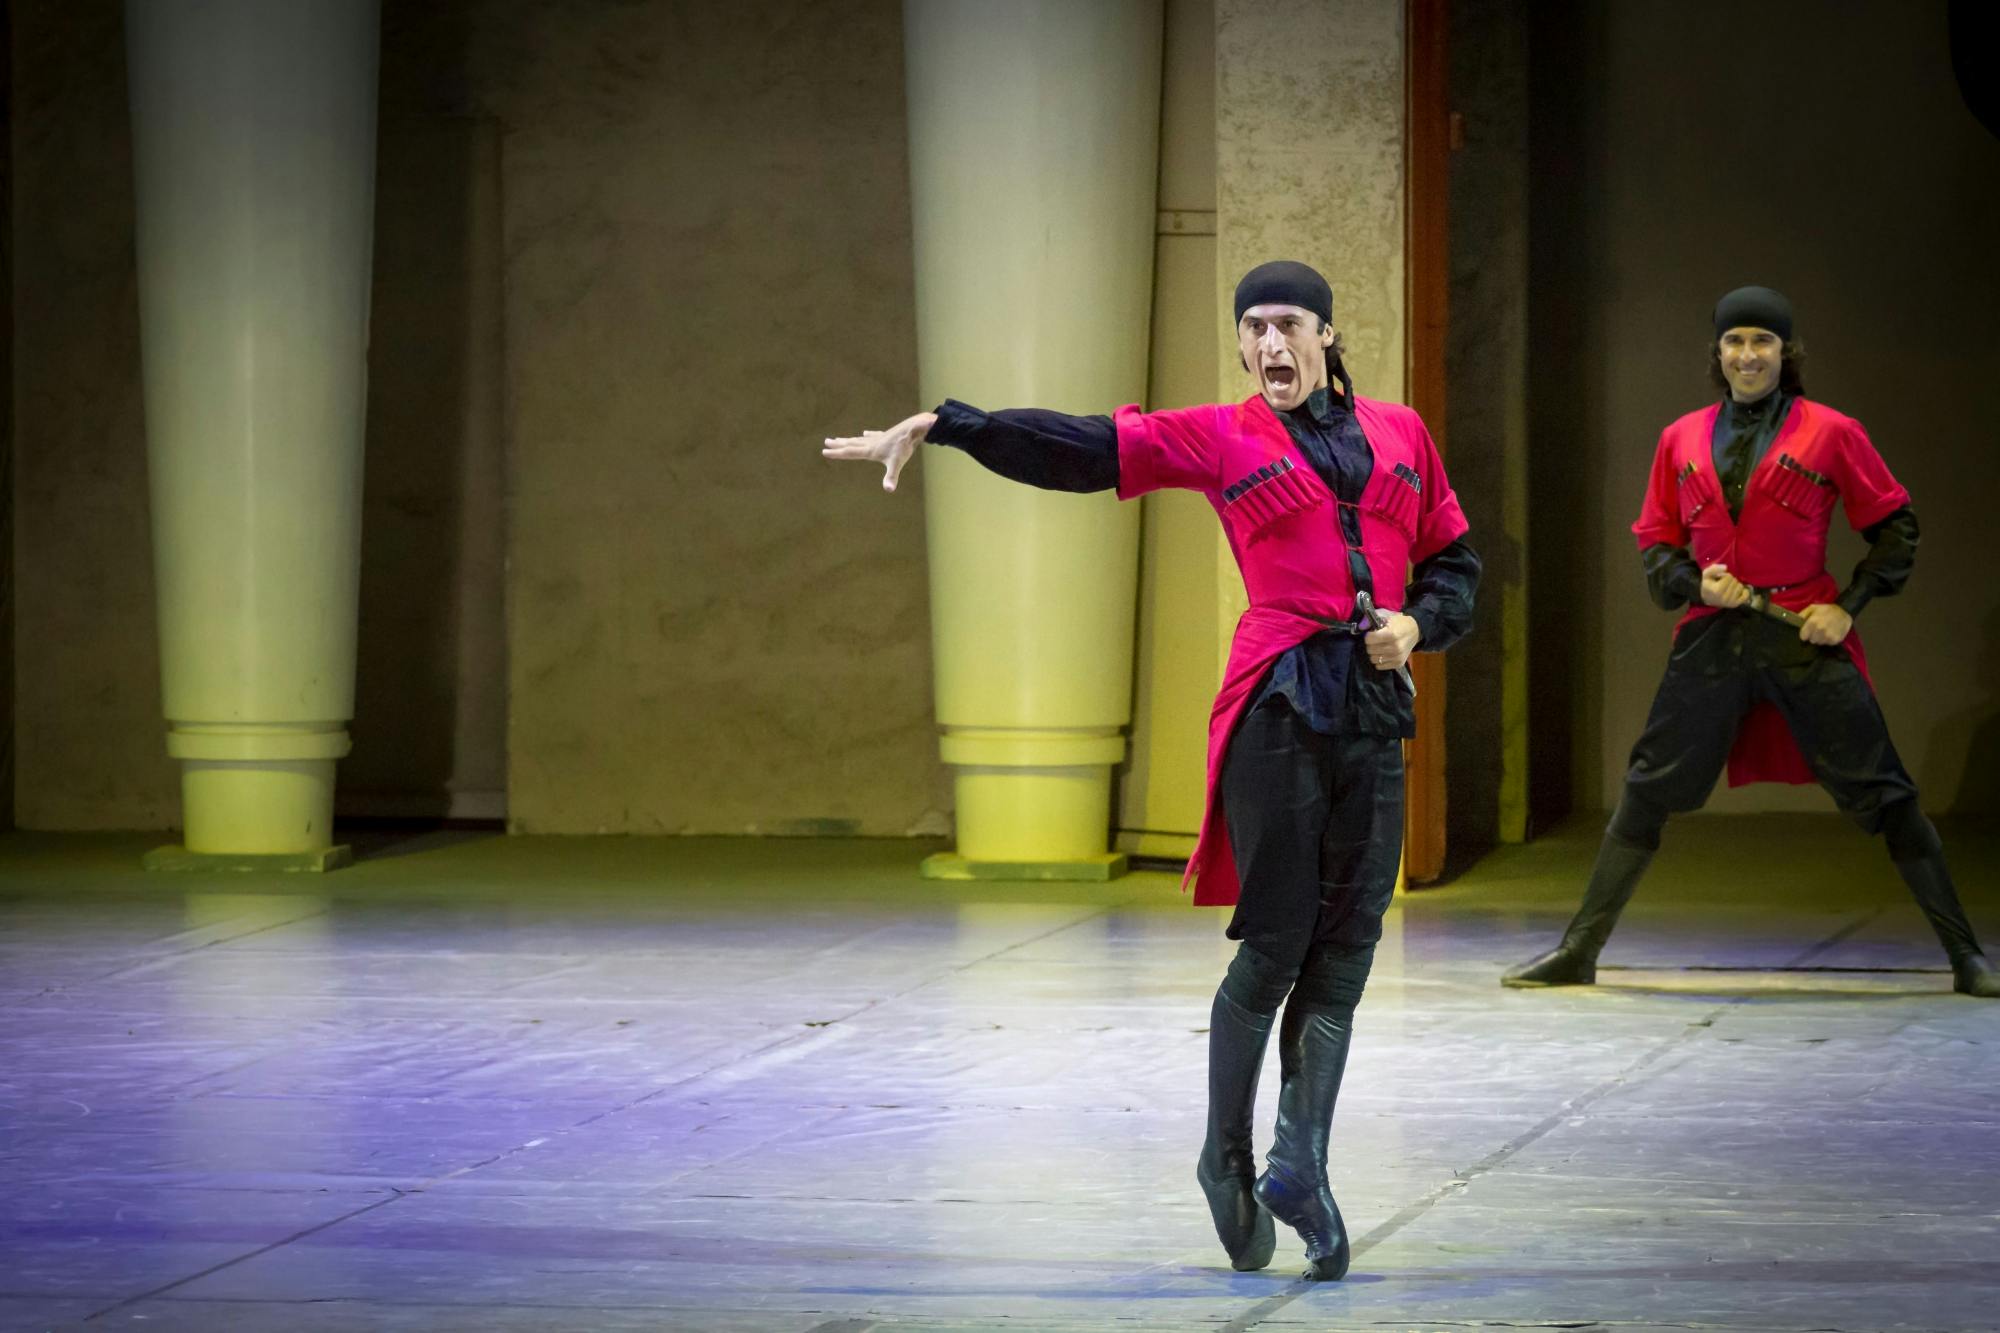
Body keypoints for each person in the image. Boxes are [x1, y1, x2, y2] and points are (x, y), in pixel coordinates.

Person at [823, 261, 1480, 1279]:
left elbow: (1453, 564)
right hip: (1275, 704)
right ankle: (1224, 1157)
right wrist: (953, 425)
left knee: (1347, 946)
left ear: (1327, 333)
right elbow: (1083, 448)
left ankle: (1298, 1163)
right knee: (1275, 945)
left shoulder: (1400, 434)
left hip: (1370, 704)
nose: (1268, 345)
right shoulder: (1220, 436)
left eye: (1287, 325)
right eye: (1252, 327)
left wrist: (1412, 622)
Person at [1504, 285, 1997, 998]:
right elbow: (1656, 546)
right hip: (1712, 643)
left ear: (1785, 352)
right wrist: (1694, 584)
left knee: (1887, 795)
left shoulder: (1831, 431)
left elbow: (1895, 527)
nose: (1747, 355)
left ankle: (1965, 958)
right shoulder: (1680, 437)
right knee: (1646, 791)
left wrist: (1848, 607)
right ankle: (1578, 950)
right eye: (1734, 341)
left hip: (1801, 636)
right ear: (1718, 352)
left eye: (1762, 341)